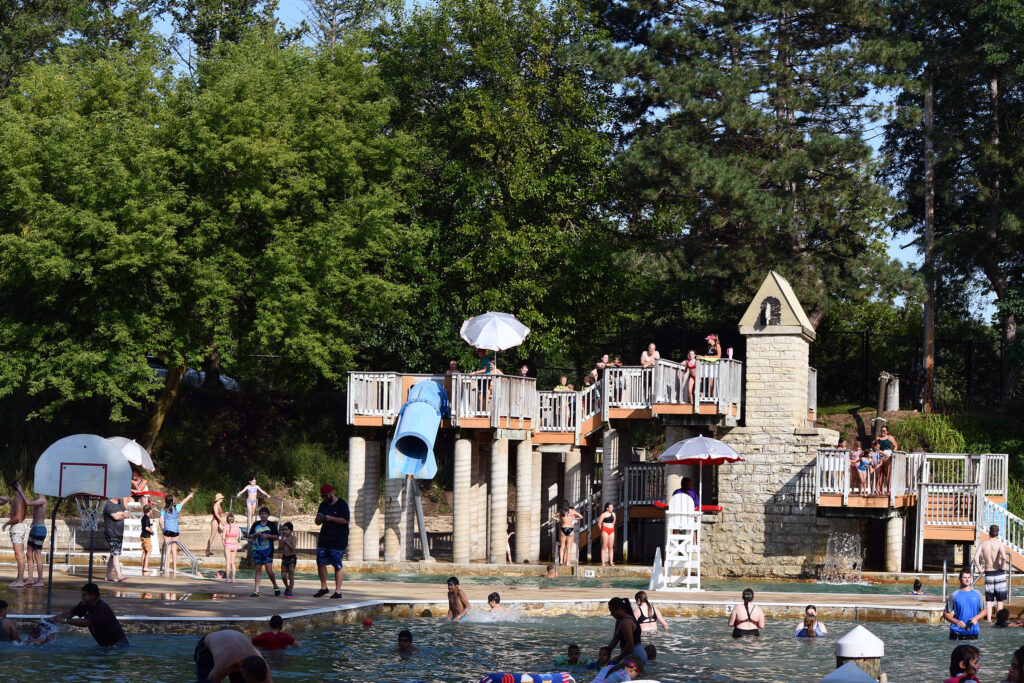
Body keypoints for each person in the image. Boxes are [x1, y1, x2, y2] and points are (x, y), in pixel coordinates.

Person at [51, 582, 128, 647]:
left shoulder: (102, 608)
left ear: (93, 595)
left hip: (118, 646)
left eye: (84, 595)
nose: (82, 598)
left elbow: (87, 622)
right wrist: (54, 618)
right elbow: (70, 613)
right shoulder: (85, 604)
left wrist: (65, 620)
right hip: (106, 646)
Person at [194, 629, 271, 683]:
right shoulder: (225, 663)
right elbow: (213, 680)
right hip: (207, 648)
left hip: (232, 640)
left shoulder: (264, 667)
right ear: (242, 671)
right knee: (205, 680)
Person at [313, 483, 349, 599]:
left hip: (338, 539)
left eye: (326, 495)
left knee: (337, 564)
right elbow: (317, 521)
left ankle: (338, 591)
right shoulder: (323, 505)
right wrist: (319, 519)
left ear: (332, 492)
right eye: (323, 496)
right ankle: (324, 588)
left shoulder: (341, 504)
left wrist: (331, 518)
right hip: (325, 538)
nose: (324, 498)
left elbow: (346, 521)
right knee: (320, 562)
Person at [973, 524, 1010, 622]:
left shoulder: (983, 544)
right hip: (999, 574)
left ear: (989, 532)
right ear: (997, 533)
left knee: (989, 600)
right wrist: (1002, 566)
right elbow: (1004, 557)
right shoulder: (999, 544)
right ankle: (1000, 621)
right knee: (999, 600)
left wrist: (980, 569)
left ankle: (989, 620)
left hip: (989, 573)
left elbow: (975, 558)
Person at [17, 483, 47, 587]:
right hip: (34, 528)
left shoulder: (42, 500)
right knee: (29, 553)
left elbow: (28, 503)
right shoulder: (37, 499)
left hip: (40, 529)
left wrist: (20, 490)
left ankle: (40, 581)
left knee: (37, 554)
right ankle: (30, 578)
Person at [944, 569, 985, 640]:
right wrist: (956, 621)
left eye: (969, 577)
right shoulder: (954, 595)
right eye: (965, 577)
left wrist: (976, 618)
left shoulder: (978, 594)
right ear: (960, 579)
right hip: (956, 632)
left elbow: (984, 610)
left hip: (973, 631)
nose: (967, 580)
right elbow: (945, 614)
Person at [160, 491, 194, 577]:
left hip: (167, 530)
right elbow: (183, 501)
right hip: (175, 530)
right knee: (174, 550)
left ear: (165, 501)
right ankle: (175, 569)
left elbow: (161, 522)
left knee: (168, 549)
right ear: (172, 501)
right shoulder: (177, 507)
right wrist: (189, 496)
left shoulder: (163, 510)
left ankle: (167, 568)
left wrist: (162, 530)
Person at [249, 507, 281, 598]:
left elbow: (277, 537)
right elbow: (249, 535)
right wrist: (256, 534)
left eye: (265, 514)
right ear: (259, 515)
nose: (263, 515)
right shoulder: (256, 524)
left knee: (268, 570)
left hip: (268, 551)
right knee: (258, 569)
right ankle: (257, 591)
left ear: (268, 515)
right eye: (262, 514)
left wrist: (268, 536)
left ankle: (275, 586)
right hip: (257, 550)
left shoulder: (272, 525)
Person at [606, 597, 646, 666]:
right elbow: (615, 639)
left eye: (612, 611)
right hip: (629, 654)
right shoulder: (619, 620)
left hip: (635, 655)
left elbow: (630, 645)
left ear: (619, 609)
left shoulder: (626, 622)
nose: (611, 614)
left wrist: (619, 658)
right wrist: (606, 653)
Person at [3, 479, 28, 588]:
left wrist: (6, 523)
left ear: (12, 488)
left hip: (17, 527)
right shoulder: (20, 499)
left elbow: (17, 517)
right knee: (20, 556)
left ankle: (20, 580)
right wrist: (5, 499)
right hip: (20, 527)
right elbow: (6, 501)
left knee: (19, 556)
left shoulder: (18, 500)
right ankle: (19, 579)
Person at [102, 496, 130, 583]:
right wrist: (122, 514)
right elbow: (115, 517)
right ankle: (119, 575)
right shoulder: (107, 504)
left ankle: (108, 576)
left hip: (119, 532)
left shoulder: (120, 504)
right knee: (116, 553)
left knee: (113, 554)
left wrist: (120, 514)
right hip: (111, 532)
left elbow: (128, 514)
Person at [552, 500, 583, 568]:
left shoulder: (561, 511)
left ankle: (561, 561)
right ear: (568, 505)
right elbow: (581, 517)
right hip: (570, 529)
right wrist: (574, 518)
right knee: (569, 547)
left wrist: (559, 520)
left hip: (563, 529)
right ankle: (568, 563)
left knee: (562, 546)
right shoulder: (572, 511)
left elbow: (553, 516)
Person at [278, 522, 297, 598]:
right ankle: (287, 586)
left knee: (291, 574)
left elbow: (293, 548)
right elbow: (279, 549)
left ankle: (290, 590)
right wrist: (282, 541)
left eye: (287, 530)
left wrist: (286, 541)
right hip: (284, 558)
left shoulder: (293, 538)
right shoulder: (282, 538)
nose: (285, 531)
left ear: (291, 531)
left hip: (291, 558)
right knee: (283, 576)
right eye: (283, 530)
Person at [221, 513, 241, 583]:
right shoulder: (237, 527)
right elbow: (237, 537)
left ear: (227, 520)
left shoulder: (225, 527)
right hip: (234, 545)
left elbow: (223, 537)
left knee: (228, 563)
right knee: (233, 563)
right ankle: (233, 578)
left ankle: (227, 579)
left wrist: (224, 543)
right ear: (233, 520)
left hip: (228, 545)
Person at [599, 503, 616, 567]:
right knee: (604, 546)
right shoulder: (603, 514)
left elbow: (613, 522)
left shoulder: (613, 514)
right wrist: (602, 530)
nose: (612, 508)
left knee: (611, 547)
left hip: (611, 530)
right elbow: (599, 523)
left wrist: (610, 527)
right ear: (607, 508)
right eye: (610, 507)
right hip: (604, 530)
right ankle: (603, 562)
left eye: (612, 507)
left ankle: (611, 562)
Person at [140, 504, 154, 575]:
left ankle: (143, 566)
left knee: (144, 551)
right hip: (146, 537)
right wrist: (152, 531)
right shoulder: (147, 518)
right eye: (151, 509)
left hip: (143, 536)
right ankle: (145, 567)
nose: (152, 511)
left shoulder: (143, 517)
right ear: (149, 510)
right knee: (149, 551)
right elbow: (146, 528)